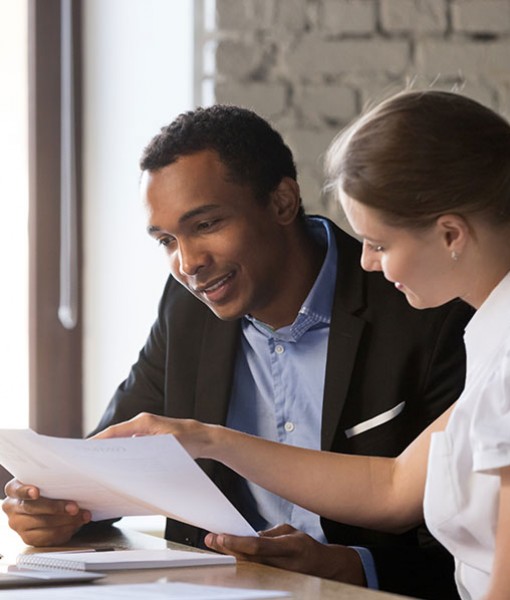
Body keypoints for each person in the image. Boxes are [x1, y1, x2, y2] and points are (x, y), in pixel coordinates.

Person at [3, 105, 472, 598]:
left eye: (205, 225)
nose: (188, 264)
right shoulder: (186, 310)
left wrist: (354, 566)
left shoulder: (425, 309)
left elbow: (471, 542)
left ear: (283, 201)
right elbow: (113, 459)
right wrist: (55, 510)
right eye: (166, 240)